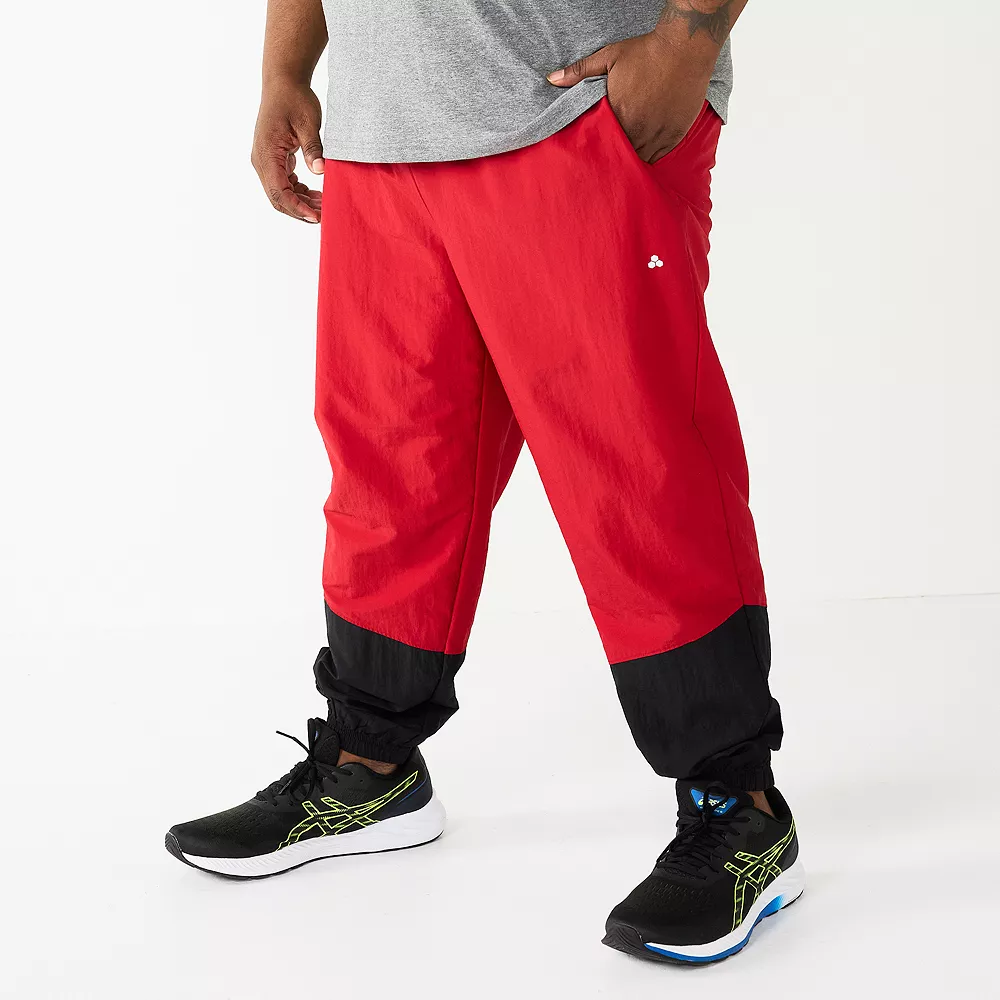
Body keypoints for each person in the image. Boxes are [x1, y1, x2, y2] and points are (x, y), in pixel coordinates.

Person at [166, 0, 803, 964]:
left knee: (637, 469)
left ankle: (739, 807)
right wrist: (285, 68)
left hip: (568, 110)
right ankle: (369, 764)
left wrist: (690, 39)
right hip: (384, 133)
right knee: (389, 468)